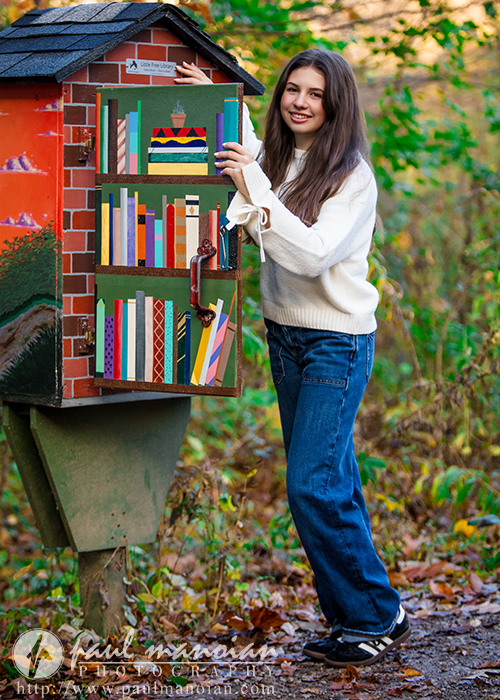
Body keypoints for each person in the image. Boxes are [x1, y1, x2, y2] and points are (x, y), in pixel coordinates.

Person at [175, 50, 410, 668]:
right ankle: (359, 613)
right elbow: (252, 157)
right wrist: (220, 100)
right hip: (286, 337)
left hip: (336, 340)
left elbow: (307, 255)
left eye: (315, 93)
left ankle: (373, 614)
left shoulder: (351, 176)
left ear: (337, 104)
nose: (300, 101)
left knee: (312, 484)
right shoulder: (280, 159)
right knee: (335, 481)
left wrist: (248, 183)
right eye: (292, 89)